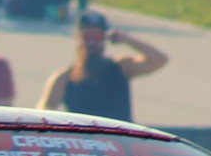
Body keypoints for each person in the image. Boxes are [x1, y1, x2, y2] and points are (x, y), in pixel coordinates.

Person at [39, 11, 169, 122]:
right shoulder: (64, 79)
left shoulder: (122, 67)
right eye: (87, 37)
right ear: (78, 38)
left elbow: (159, 60)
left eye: (98, 37)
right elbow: (43, 117)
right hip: (84, 141)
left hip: (120, 140)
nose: (92, 42)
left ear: (104, 39)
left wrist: (126, 39)